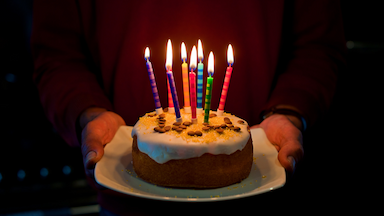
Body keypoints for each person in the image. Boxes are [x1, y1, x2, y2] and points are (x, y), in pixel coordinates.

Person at [31, 0, 345, 215]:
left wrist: (290, 110)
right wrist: (88, 111)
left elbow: (319, 44)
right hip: (125, 201)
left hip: (263, 198)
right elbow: (57, 54)